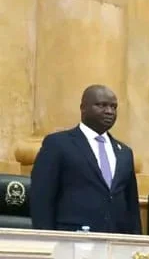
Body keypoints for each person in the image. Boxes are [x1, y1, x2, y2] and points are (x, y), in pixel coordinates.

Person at [29, 84, 142, 235]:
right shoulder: (58, 144)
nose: (109, 111)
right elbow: (41, 196)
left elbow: (132, 207)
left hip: (116, 241)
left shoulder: (124, 153)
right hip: (71, 238)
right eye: (101, 105)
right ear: (83, 108)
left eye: (113, 107)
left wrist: (135, 241)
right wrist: (47, 239)